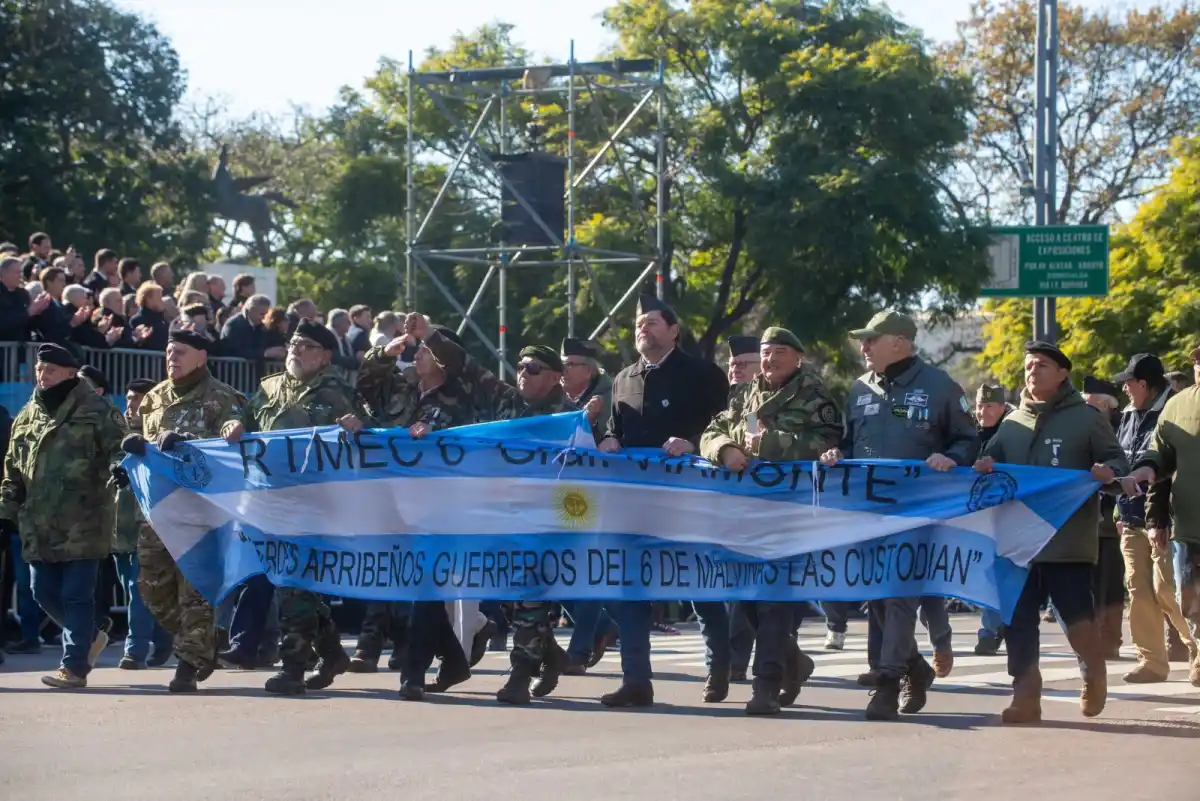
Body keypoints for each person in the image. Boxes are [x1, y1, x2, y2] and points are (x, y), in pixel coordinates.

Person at [819, 310, 979, 721]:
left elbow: (969, 440)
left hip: (918, 510)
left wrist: (951, 457)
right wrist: (837, 453)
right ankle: (916, 668)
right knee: (876, 592)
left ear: (900, 343)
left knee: (898, 591)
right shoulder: (860, 388)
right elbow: (851, 442)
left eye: (872, 339)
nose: (864, 347)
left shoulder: (940, 386)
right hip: (868, 509)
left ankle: (887, 681)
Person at [976, 341, 1129, 724]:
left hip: (1067, 539)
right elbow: (988, 461)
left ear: (1062, 373)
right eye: (1029, 365)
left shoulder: (1086, 418)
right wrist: (984, 464)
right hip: (1017, 542)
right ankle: (1025, 694)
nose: (1033, 371)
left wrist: (1107, 473)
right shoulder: (1012, 423)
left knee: (1075, 618)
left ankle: (1093, 671)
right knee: (1018, 620)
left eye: (1042, 365)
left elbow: (1117, 460)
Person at [594, 293, 729, 708]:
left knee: (697, 584)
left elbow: (725, 426)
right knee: (631, 587)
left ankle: (720, 667)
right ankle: (636, 679)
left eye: (652, 322)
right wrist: (609, 438)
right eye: (639, 323)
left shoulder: (702, 374)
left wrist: (692, 442)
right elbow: (615, 428)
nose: (643, 328)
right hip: (635, 501)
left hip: (689, 497)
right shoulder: (624, 378)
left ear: (673, 331)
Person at [701, 327, 842, 715]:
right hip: (745, 511)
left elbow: (828, 443)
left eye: (779, 351)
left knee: (774, 601)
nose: (770, 358)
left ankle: (765, 685)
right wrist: (725, 449)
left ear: (798, 357)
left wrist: (771, 442)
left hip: (790, 512)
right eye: (765, 352)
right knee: (747, 599)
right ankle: (794, 664)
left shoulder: (815, 397)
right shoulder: (747, 394)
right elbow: (714, 430)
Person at [222, 320, 365, 695]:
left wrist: (357, 426)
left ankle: (293, 668)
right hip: (269, 502)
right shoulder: (270, 387)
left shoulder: (339, 393)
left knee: (293, 586)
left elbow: (367, 435)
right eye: (293, 344)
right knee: (294, 586)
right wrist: (234, 423)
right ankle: (331, 653)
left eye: (306, 346)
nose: (296, 351)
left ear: (325, 356)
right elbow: (246, 418)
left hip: (316, 505)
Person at [115, 330, 247, 692]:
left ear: (201, 357)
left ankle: (188, 664)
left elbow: (231, 445)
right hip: (158, 512)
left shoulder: (223, 397)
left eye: (180, 352)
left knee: (195, 589)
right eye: (169, 351)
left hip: (200, 513)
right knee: (151, 588)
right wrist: (128, 453)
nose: (172, 358)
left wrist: (188, 445)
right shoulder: (154, 397)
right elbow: (134, 434)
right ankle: (203, 640)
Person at [0, 344, 126, 688]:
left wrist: (120, 468)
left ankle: (73, 667)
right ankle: (91, 636)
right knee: (41, 591)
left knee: (76, 594)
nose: (43, 376)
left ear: (71, 374)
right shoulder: (28, 413)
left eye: (51, 371)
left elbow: (119, 447)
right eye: (40, 370)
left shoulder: (97, 409)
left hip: (84, 519)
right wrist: (6, 511)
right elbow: (13, 468)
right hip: (38, 522)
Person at [1113, 353, 1199, 683]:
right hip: (1135, 517)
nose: (1124, 389)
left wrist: (1156, 519)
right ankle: (1151, 661)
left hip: (1166, 519)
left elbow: (1162, 476)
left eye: (1129, 383)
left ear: (1144, 384)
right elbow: (1141, 462)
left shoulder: (1169, 409)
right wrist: (1120, 510)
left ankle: (1194, 649)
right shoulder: (1132, 415)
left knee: (1168, 591)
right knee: (1139, 589)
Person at [112, 378, 174, 670]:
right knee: (132, 588)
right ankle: (163, 639)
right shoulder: (116, 435)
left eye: (137, 399)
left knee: (139, 589)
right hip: (118, 526)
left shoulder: (159, 438)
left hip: (148, 526)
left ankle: (134, 650)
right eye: (128, 398)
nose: (131, 405)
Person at [974, 383, 1013, 656]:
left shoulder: (1013, 432)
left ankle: (991, 631)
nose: (982, 412)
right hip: (975, 515)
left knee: (998, 573)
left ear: (1001, 407)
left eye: (989, 406)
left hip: (1007, 514)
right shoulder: (968, 433)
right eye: (979, 406)